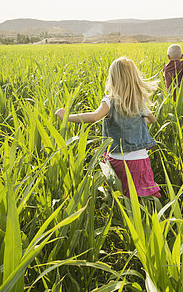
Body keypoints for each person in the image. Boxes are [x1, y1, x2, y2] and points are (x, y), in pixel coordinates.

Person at [55, 57, 161, 198]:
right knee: (143, 193)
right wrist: (141, 122)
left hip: (118, 159)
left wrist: (67, 116)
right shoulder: (138, 100)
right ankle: (146, 217)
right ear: (134, 77)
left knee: (119, 195)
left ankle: (122, 216)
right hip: (140, 160)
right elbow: (152, 119)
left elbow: (94, 116)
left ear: (113, 79)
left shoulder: (110, 101)